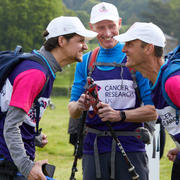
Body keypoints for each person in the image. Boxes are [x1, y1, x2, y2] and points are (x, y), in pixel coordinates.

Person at [68, 2, 158, 180]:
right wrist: (80, 105)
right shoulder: (85, 61)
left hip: (131, 147)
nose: (107, 33)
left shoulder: (134, 58)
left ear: (119, 23)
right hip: (93, 148)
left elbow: (153, 111)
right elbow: (72, 111)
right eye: (101, 27)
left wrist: (119, 115)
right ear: (91, 28)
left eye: (111, 26)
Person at [0, 16, 97, 180]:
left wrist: (32, 136)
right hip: (7, 165)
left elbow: (9, 113)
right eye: (80, 40)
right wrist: (27, 167)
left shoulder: (41, 69)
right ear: (61, 41)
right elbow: (10, 127)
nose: (85, 46)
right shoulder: (35, 73)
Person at [114, 22, 180, 180]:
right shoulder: (155, 82)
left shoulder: (172, 82)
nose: (123, 49)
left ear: (148, 48)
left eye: (130, 44)